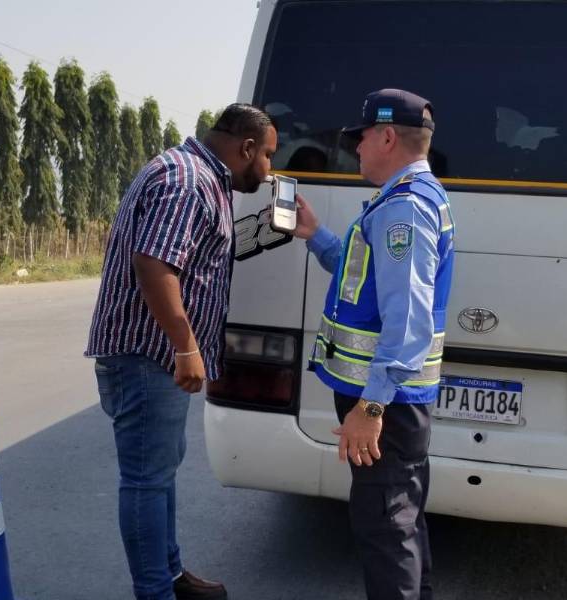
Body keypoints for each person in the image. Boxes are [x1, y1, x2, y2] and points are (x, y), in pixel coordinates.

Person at [85, 103, 277, 600]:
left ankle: (169, 577)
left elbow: (202, 253)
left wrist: (275, 230)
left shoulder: (200, 177)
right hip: (148, 355)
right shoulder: (187, 180)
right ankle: (155, 593)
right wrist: (186, 347)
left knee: (161, 470)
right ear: (247, 148)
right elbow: (155, 264)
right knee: (147, 479)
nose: (270, 170)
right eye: (269, 158)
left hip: (156, 356)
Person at [293, 89, 455, 600]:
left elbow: (409, 320)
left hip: (389, 402)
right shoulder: (407, 201)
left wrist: (371, 404)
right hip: (397, 401)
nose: (354, 148)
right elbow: (364, 274)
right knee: (400, 521)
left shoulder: (403, 210)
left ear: (387, 136)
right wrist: (317, 235)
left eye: (360, 138)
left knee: (386, 529)